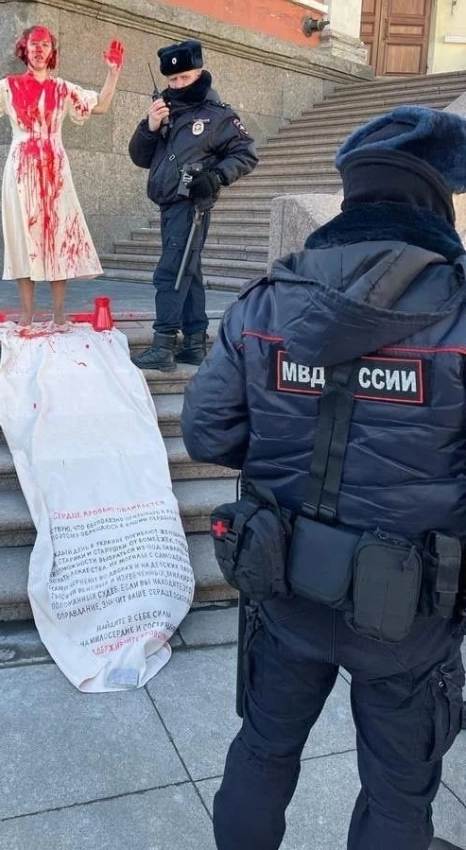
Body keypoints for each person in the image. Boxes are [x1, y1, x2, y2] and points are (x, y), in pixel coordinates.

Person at [181, 104, 466, 850]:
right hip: (411, 610)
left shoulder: (264, 301)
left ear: (351, 198)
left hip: (284, 585)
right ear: (436, 201)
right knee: (398, 799)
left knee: (262, 752)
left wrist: (288, 430)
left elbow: (208, 432)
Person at [0, 25, 124, 326]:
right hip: (21, 169)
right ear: (24, 48)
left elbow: (101, 105)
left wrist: (113, 72)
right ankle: (27, 314)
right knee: (22, 237)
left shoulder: (63, 89)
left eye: (45, 45)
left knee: (58, 235)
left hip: (55, 169)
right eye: (34, 44)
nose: (39, 50)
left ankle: (59, 313)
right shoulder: (8, 86)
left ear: (52, 51)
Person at [128, 39, 258, 370]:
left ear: (199, 73)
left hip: (191, 205)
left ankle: (163, 345)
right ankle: (195, 342)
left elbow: (246, 154)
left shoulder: (217, 115)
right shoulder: (164, 111)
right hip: (168, 204)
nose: (177, 85)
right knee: (190, 271)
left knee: (171, 272)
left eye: (184, 77)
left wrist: (215, 178)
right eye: (172, 79)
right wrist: (150, 127)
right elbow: (139, 157)